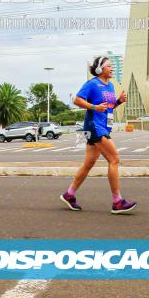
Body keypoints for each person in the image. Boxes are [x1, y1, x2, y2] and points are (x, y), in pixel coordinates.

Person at [60, 55, 137, 214]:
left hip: (103, 127)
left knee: (88, 164)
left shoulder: (110, 86)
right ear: (99, 69)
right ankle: (117, 201)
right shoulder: (92, 84)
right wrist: (94, 107)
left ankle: (69, 194)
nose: (112, 68)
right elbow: (77, 100)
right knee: (114, 158)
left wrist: (118, 102)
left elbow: (108, 106)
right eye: (109, 66)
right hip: (94, 126)